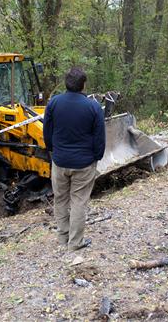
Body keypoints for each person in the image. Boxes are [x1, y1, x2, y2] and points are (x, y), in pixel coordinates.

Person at [43, 68, 106, 251]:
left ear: (66, 83)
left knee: (60, 199)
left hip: (60, 161)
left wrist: (52, 151)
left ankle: (63, 239)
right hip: (84, 163)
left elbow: (47, 132)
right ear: (83, 85)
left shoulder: (54, 103)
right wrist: (97, 157)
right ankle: (75, 243)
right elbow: (99, 137)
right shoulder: (93, 106)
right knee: (79, 201)